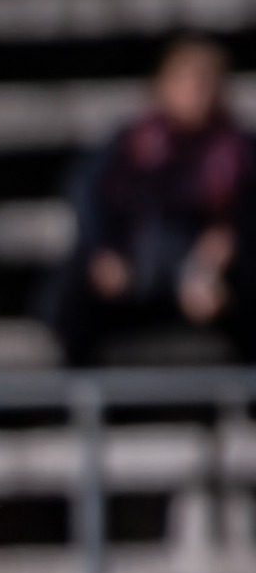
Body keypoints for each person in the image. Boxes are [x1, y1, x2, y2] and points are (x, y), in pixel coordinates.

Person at [46, 35, 256, 365]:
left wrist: (219, 258)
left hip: (205, 279)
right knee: (69, 296)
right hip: (135, 272)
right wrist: (104, 252)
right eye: (187, 81)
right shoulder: (129, 145)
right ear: (163, 85)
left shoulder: (240, 151)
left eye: (206, 82)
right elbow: (86, 196)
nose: (196, 92)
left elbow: (241, 219)